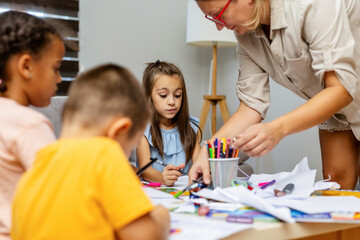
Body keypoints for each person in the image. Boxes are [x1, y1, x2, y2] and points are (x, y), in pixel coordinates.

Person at [189, 0, 360, 190]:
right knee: (336, 184)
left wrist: (277, 129)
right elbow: (251, 106)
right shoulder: (246, 37)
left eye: (218, 15)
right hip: (338, 111)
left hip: (344, 93)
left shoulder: (311, 4)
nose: (219, 27)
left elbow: (341, 88)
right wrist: (209, 149)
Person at [11, 64, 170, 240]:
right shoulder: (105, 154)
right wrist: (162, 216)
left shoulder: (33, 170)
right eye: (130, 147)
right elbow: (146, 236)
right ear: (118, 130)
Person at [0, 11, 64, 239]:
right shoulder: (30, 125)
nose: (59, 79)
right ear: (26, 67)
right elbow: (58, 197)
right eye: (56, 68)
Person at [137, 60, 201, 186]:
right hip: (157, 192)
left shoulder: (191, 127)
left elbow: (199, 163)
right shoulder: (143, 130)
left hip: (185, 192)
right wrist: (163, 177)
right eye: (163, 95)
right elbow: (145, 171)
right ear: (149, 96)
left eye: (177, 95)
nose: (172, 101)